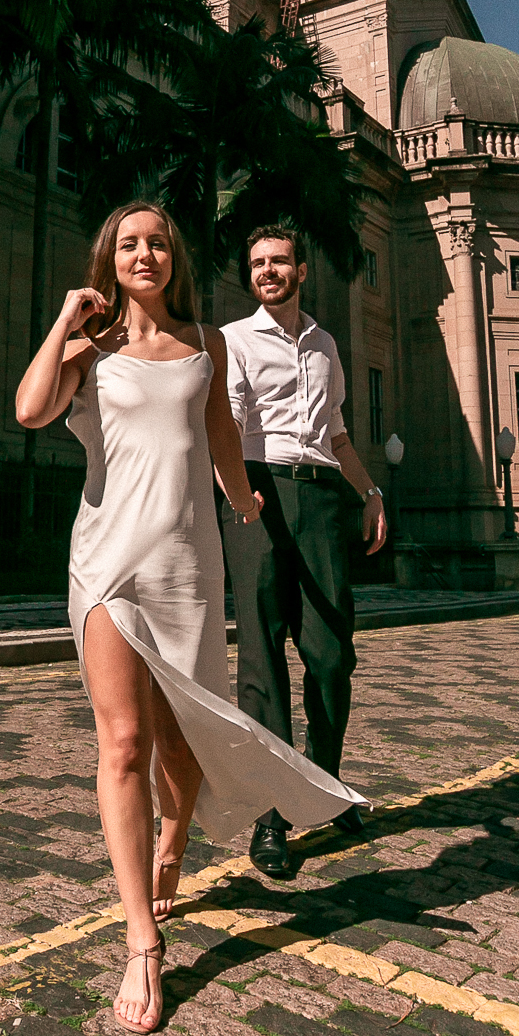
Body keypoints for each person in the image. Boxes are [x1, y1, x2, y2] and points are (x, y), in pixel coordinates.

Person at [15, 201, 365, 1035]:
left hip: (187, 565)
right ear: (111, 259)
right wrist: (66, 319)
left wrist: (250, 508)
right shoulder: (88, 350)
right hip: (107, 563)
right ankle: (142, 940)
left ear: (175, 257)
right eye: (128, 244)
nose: (145, 254)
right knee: (123, 743)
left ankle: (174, 837)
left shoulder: (208, 346)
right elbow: (29, 410)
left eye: (158, 243)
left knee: (181, 742)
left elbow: (222, 443)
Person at [221, 224, 387, 881]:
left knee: (331, 653)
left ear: (301, 269)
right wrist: (238, 496)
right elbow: (228, 423)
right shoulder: (236, 339)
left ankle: (323, 785)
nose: (267, 271)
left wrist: (369, 492)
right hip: (257, 493)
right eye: (257, 262)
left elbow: (336, 434)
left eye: (278, 261)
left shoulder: (325, 345)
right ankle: (269, 816)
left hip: (320, 498)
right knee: (262, 659)